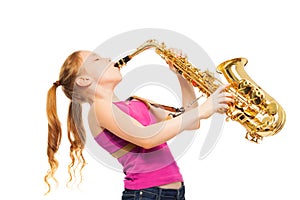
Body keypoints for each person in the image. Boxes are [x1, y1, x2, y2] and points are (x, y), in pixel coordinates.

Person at [45, 50, 234, 199]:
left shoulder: (136, 103)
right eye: (97, 60)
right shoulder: (98, 109)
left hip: (174, 192)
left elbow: (191, 122)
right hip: (146, 194)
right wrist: (203, 109)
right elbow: (147, 138)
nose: (108, 58)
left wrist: (181, 76)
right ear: (84, 80)